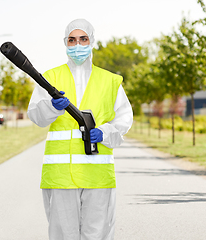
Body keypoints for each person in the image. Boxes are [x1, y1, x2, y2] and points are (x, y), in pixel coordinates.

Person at [27, 19, 133, 240]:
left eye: (83, 39)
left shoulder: (110, 80)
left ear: (91, 41)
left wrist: (105, 132)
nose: (77, 45)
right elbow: (35, 115)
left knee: (98, 233)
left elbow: (124, 119)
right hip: (60, 175)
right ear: (65, 43)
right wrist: (51, 107)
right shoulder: (50, 77)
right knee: (63, 234)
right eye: (72, 40)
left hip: (97, 174)